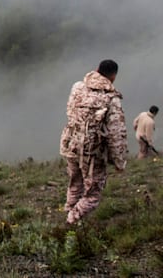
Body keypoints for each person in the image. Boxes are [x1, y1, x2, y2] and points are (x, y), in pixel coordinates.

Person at [60, 60, 128, 225]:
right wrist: (119, 161)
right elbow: (116, 133)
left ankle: (69, 211)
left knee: (75, 183)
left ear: (97, 70)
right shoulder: (111, 98)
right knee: (93, 194)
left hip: (70, 145)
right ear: (113, 77)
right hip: (91, 152)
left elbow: (70, 111)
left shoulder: (77, 87)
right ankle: (71, 222)